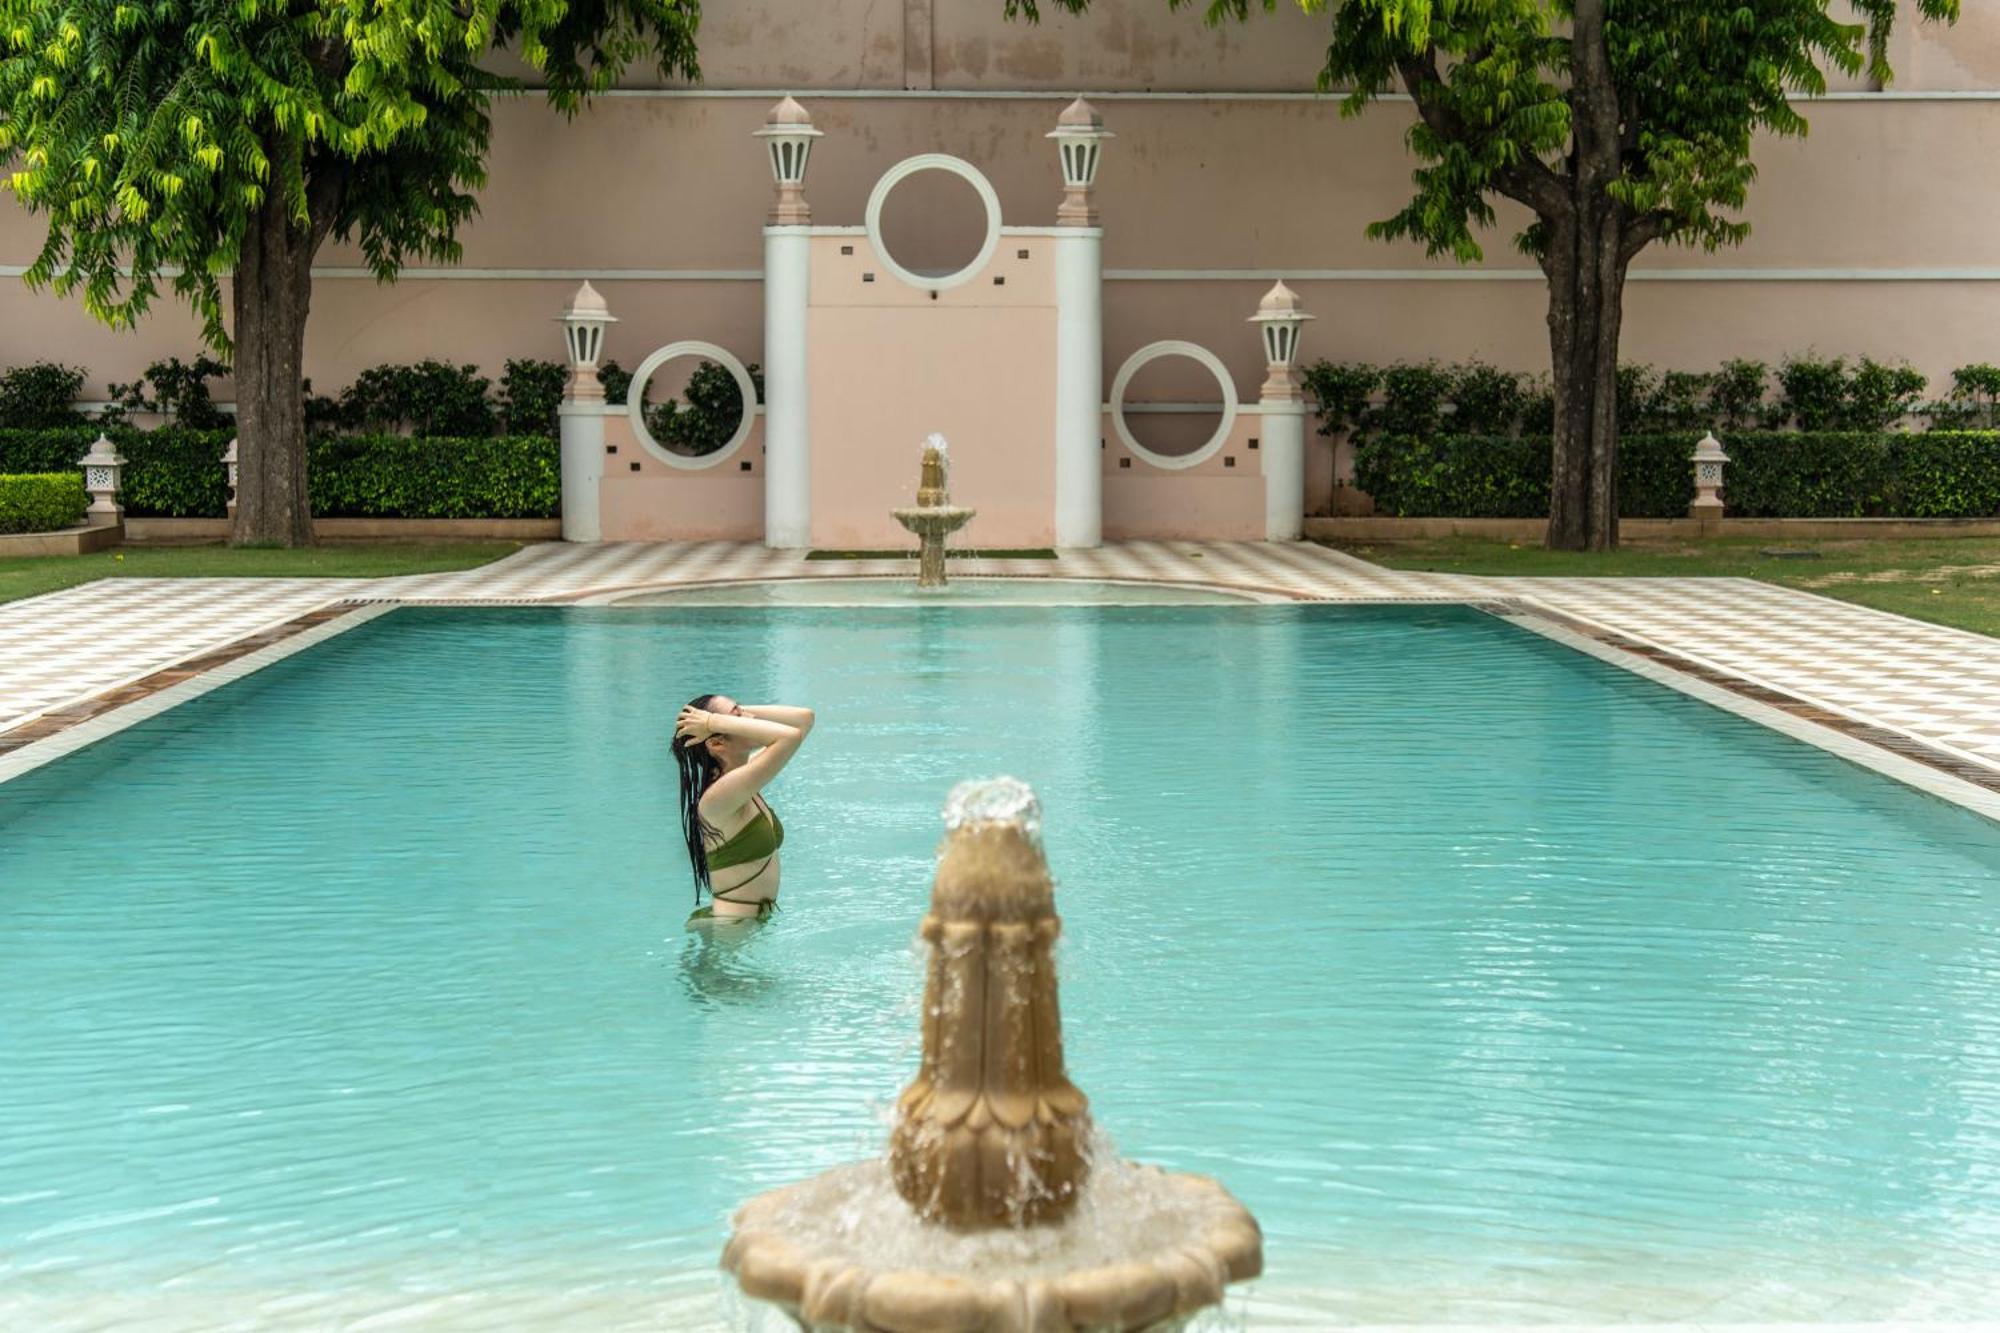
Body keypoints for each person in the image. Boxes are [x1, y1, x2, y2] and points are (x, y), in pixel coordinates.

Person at [673, 694, 813, 926]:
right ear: (716, 743)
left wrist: (724, 716)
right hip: (731, 931)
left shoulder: (743, 774)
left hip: (749, 927)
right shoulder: (718, 796)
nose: (750, 719)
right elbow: (790, 737)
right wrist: (712, 722)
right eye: (739, 716)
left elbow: (804, 719)